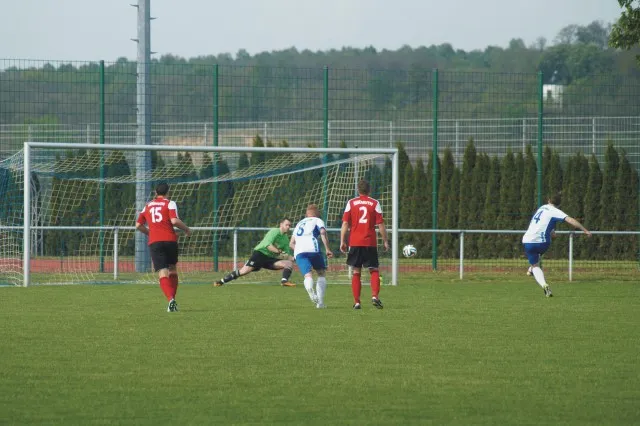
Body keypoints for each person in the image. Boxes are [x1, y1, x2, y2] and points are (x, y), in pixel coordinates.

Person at [522, 192, 591, 297]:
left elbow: (542, 223)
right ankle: (532, 268)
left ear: (548, 200)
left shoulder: (541, 208)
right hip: (542, 242)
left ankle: (544, 284)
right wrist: (585, 230)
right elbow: (570, 220)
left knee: (535, 264)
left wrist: (552, 232)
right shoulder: (555, 211)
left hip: (527, 240)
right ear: (559, 204)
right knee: (537, 259)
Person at [135, 182, 191, 312]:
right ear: (168, 192)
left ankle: (171, 300)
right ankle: (173, 300)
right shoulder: (170, 203)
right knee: (172, 269)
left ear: (156, 192)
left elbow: (138, 225)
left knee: (162, 272)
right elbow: (174, 221)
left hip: (155, 242)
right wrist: (187, 229)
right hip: (170, 240)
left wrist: (150, 233)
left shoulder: (148, 205)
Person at [340, 179, 389, 310]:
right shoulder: (375, 203)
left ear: (358, 190)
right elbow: (380, 224)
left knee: (356, 271)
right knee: (374, 269)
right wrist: (385, 240)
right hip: (369, 242)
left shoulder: (351, 203)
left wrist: (342, 241)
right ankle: (374, 296)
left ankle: (357, 302)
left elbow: (345, 223)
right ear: (369, 190)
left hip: (355, 242)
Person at [214, 218, 296, 287]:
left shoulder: (285, 239)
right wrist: (278, 251)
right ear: (281, 224)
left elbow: (286, 254)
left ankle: (284, 281)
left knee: (288, 263)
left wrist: (296, 258)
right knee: (243, 271)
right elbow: (268, 245)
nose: (288, 227)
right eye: (286, 225)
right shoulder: (274, 231)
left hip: (270, 258)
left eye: (289, 225)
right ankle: (221, 282)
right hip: (259, 254)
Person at [290, 204, 334, 308]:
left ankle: (310, 291)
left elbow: (291, 243)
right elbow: (322, 232)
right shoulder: (317, 220)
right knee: (321, 273)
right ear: (317, 213)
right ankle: (320, 303)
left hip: (299, 251)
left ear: (306, 214)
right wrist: (327, 249)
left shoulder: (299, 223)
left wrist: (298, 251)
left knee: (307, 275)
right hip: (313, 249)